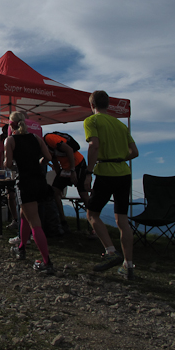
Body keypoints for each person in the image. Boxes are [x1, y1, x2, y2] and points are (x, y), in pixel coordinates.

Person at [84, 90, 139, 280]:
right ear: (108, 105)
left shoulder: (92, 121)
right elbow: (134, 152)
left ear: (92, 105)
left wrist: (89, 172)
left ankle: (110, 252)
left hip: (105, 172)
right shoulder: (120, 124)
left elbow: (94, 145)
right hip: (124, 172)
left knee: (92, 214)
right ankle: (128, 266)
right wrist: (119, 157)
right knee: (122, 220)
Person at [4, 111, 55, 275]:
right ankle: (21, 248)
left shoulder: (10, 140)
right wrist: (39, 162)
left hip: (25, 182)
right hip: (40, 181)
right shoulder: (36, 138)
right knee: (24, 215)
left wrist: (9, 162)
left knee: (34, 221)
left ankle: (47, 262)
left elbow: (8, 164)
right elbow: (48, 157)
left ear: (11, 125)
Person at [43, 132, 95, 237]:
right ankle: (63, 222)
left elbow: (69, 150)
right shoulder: (45, 148)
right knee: (55, 191)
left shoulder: (49, 138)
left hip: (78, 164)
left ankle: (95, 226)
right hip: (65, 168)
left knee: (83, 194)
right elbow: (55, 163)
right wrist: (59, 177)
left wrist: (72, 171)